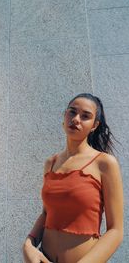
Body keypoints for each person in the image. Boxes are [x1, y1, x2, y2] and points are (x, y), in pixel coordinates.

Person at [22, 93, 124, 263]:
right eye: (72, 112)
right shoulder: (51, 162)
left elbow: (116, 230)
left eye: (85, 116)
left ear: (94, 125)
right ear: (64, 116)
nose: (76, 119)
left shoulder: (105, 163)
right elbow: (47, 213)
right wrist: (28, 245)